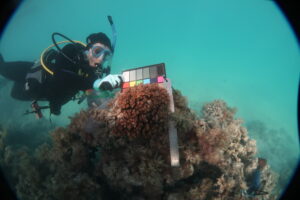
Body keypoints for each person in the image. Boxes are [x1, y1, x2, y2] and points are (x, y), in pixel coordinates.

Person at [0, 27, 123, 116]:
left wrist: (105, 101)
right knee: (3, 68)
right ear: (88, 48)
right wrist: (96, 83)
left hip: (34, 92)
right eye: (97, 51)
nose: (101, 59)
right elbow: (61, 77)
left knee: (14, 94)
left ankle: (5, 83)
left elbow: (91, 93)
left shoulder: (95, 72)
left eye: (106, 55)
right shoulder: (70, 50)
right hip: (29, 72)